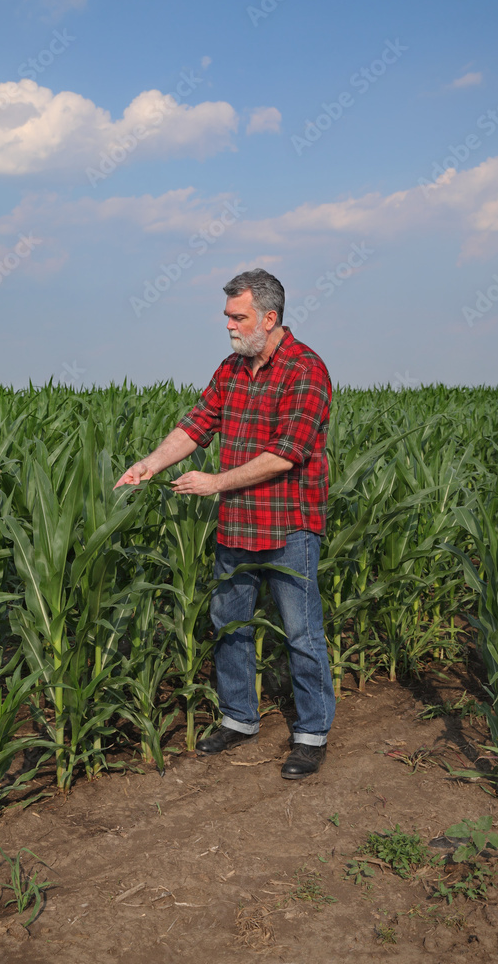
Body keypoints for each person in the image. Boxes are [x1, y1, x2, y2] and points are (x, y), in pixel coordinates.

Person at [114, 268, 335, 779]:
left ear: (269, 318)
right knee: (229, 625)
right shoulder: (231, 370)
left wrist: (215, 482)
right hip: (238, 525)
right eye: (228, 316)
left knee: (301, 633)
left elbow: (288, 452)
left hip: (289, 526)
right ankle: (239, 718)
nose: (230, 326)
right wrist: (150, 464)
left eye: (239, 317)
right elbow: (196, 425)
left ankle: (310, 734)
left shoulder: (305, 369)